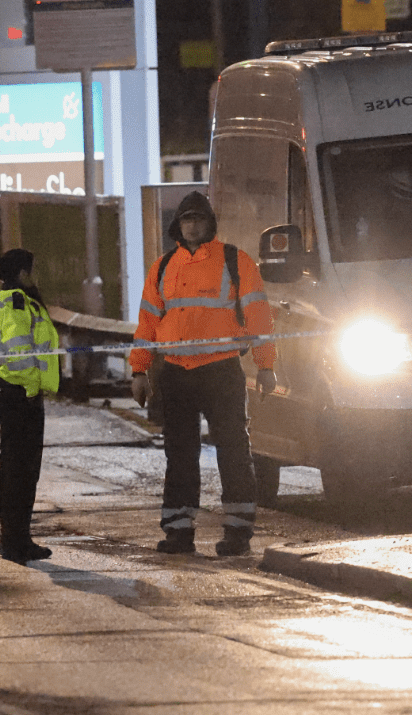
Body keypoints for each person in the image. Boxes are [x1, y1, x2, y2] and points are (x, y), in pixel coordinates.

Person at [130, 192, 276, 557]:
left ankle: (238, 532)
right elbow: (147, 322)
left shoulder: (235, 261)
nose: (192, 225)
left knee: (233, 450)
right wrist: (139, 370)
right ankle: (178, 532)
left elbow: (259, 316)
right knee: (179, 454)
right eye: (186, 219)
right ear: (177, 226)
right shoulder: (163, 267)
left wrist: (266, 365)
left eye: (198, 218)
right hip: (175, 373)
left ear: (210, 223)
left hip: (221, 369)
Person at [0, 247, 60, 563]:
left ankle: (15, 538)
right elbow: (20, 356)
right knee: (22, 471)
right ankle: (15, 540)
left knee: (13, 468)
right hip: (20, 394)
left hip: (3, 391)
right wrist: (31, 389)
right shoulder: (16, 305)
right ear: (23, 273)